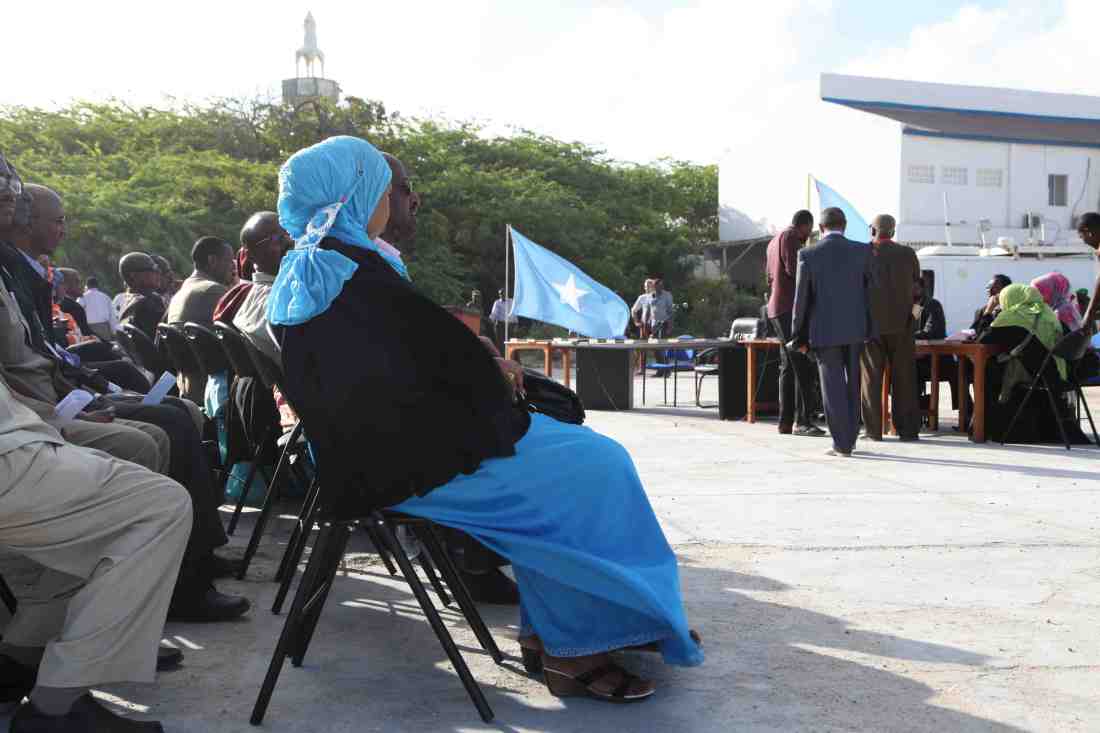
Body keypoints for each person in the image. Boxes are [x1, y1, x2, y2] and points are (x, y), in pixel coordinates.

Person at [268, 136, 701, 702]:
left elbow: (409, 360)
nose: (392, 198)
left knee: (581, 458)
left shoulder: (325, 265)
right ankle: (576, 652)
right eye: (383, 185)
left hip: (383, 447)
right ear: (354, 193)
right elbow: (415, 369)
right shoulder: (345, 271)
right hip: (400, 461)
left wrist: (478, 375)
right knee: (590, 471)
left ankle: (585, 626)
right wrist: (488, 382)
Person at [0, 374, 193, 733]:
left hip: (19, 434)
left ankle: (24, 655)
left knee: (106, 508)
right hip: (9, 451)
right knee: (162, 506)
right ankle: (55, 707)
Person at [379, 152, 518, 604]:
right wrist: (473, 364)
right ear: (374, 196)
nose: (413, 203)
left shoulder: (345, 262)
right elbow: (393, 362)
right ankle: (579, 630)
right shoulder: (353, 268)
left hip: (374, 437)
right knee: (581, 461)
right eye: (405, 192)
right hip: (389, 455)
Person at [0, 182, 150, 393]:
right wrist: (87, 398)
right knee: (165, 417)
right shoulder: (16, 273)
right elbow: (33, 363)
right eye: (58, 222)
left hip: (52, 388)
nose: (63, 231)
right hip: (41, 399)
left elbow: (46, 349)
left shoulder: (23, 272)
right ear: (27, 222)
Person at [791, 207, 874, 457]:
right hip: (856, 329)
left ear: (820, 227)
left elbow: (801, 300)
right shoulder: (863, 251)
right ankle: (850, 439)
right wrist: (870, 328)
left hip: (824, 332)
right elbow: (873, 293)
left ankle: (842, 444)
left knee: (832, 387)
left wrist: (798, 335)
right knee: (853, 386)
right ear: (845, 226)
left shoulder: (808, 254)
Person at [975, 284, 1087, 444]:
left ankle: (983, 426)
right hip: (1058, 375)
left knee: (989, 370)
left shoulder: (1013, 316)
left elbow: (981, 340)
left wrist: (987, 312)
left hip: (1035, 376)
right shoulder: (1049, 314)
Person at [860, 214, 921, 442]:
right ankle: (907, 430)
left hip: (870, 328)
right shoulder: (908, 254)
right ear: (893, 232)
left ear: (872, 231)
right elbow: (920, 291)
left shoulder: (863, 253)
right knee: (904, 378)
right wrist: (913, 319)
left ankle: (873, 431)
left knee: (870, 380)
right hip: (902, 327)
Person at [766, 210, 823, 436]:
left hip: (776, 308)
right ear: (805, 226)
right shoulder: (790, 237)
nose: (808, 236)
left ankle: (785, 422)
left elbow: (770, 276)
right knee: (803, 366)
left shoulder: (772, 241)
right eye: (809, 231)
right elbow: (795, 270)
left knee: (788, 368)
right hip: (789, 310)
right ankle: (803, 422)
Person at [232, 212, 293, 364]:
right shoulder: (273, 302)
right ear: (251, 255)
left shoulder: (287, 288)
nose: (288, 241)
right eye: (275, 238)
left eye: (289, 231)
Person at [165, 236, 235, 327]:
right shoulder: (213, 290)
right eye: (229, 260)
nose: (233, 266)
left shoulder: (181, 292)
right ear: (212, 260)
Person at [116, 252, 167, 339]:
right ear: (134, 275)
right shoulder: (151, 302)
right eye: (153, 269)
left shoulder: (123, 300)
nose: (158, 273)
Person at [56, 267, 94, 338]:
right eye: (77, 281)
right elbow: (86, 334)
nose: (81, 285)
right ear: (65, 284)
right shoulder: (75, 308)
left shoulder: (56, 304)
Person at [79, 275, 119, 341]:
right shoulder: (106, 297)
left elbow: (78, 313)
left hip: (88, 330)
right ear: (97, 285)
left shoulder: (82, 297)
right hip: (104, 329)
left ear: (87, 286)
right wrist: (114, 332)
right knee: (105, 349)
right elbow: (112, 316)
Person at [630, 280, 654, 374]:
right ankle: (641, 369)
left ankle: (663, 369)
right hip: (644, 324)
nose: (647, 288)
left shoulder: (657, 296)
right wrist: (636, 322)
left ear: (653, 287)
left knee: (658, 346)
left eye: (649, 286)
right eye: (646, 286)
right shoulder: (642, 297)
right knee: (642, 347)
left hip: (655, 324)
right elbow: (633, 310)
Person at [489, 288, 518, 355]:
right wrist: (491, 319)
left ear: (506, 293)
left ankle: (513, 358)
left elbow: (514, 313)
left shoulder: (511, 301)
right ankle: (503, 358)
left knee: (512, 342)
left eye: (503, 293)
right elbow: (494, 314)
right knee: (501, 344)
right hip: (500, 325)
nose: (501, 295)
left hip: (510, 325)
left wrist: (516, 324)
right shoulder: (497, 302)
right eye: (500, 294)